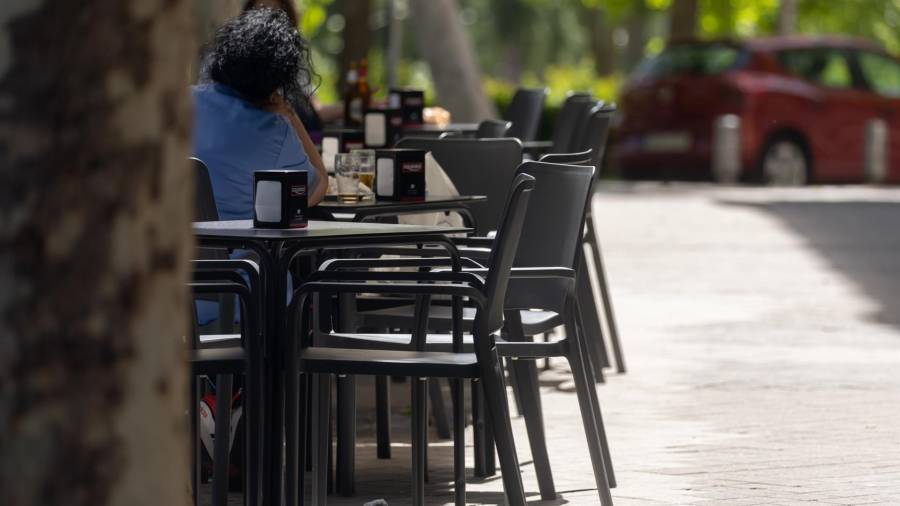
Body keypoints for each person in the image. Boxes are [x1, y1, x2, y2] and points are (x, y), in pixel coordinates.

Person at [192, 7, 327, 219]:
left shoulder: (185, 103)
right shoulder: (276, 130)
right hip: (244, 250)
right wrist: (289, 113)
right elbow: (317, 185)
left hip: (181, 247)